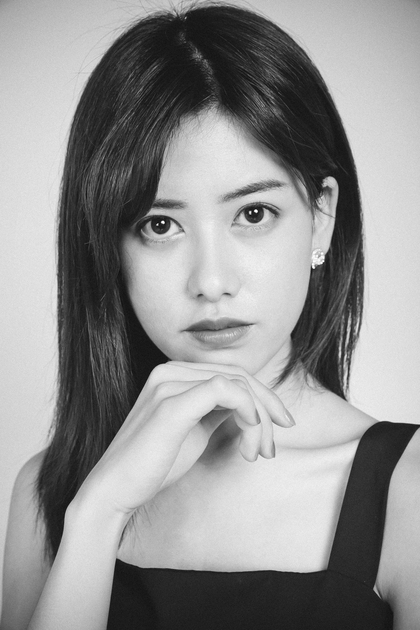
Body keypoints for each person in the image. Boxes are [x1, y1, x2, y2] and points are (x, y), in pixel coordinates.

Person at [1, 2, 419, 629]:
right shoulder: (50, 491)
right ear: (110, 247)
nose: (211, 282)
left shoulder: (408, 490)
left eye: (253, 214)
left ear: (321, 217)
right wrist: (98, 515)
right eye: (159, 225)